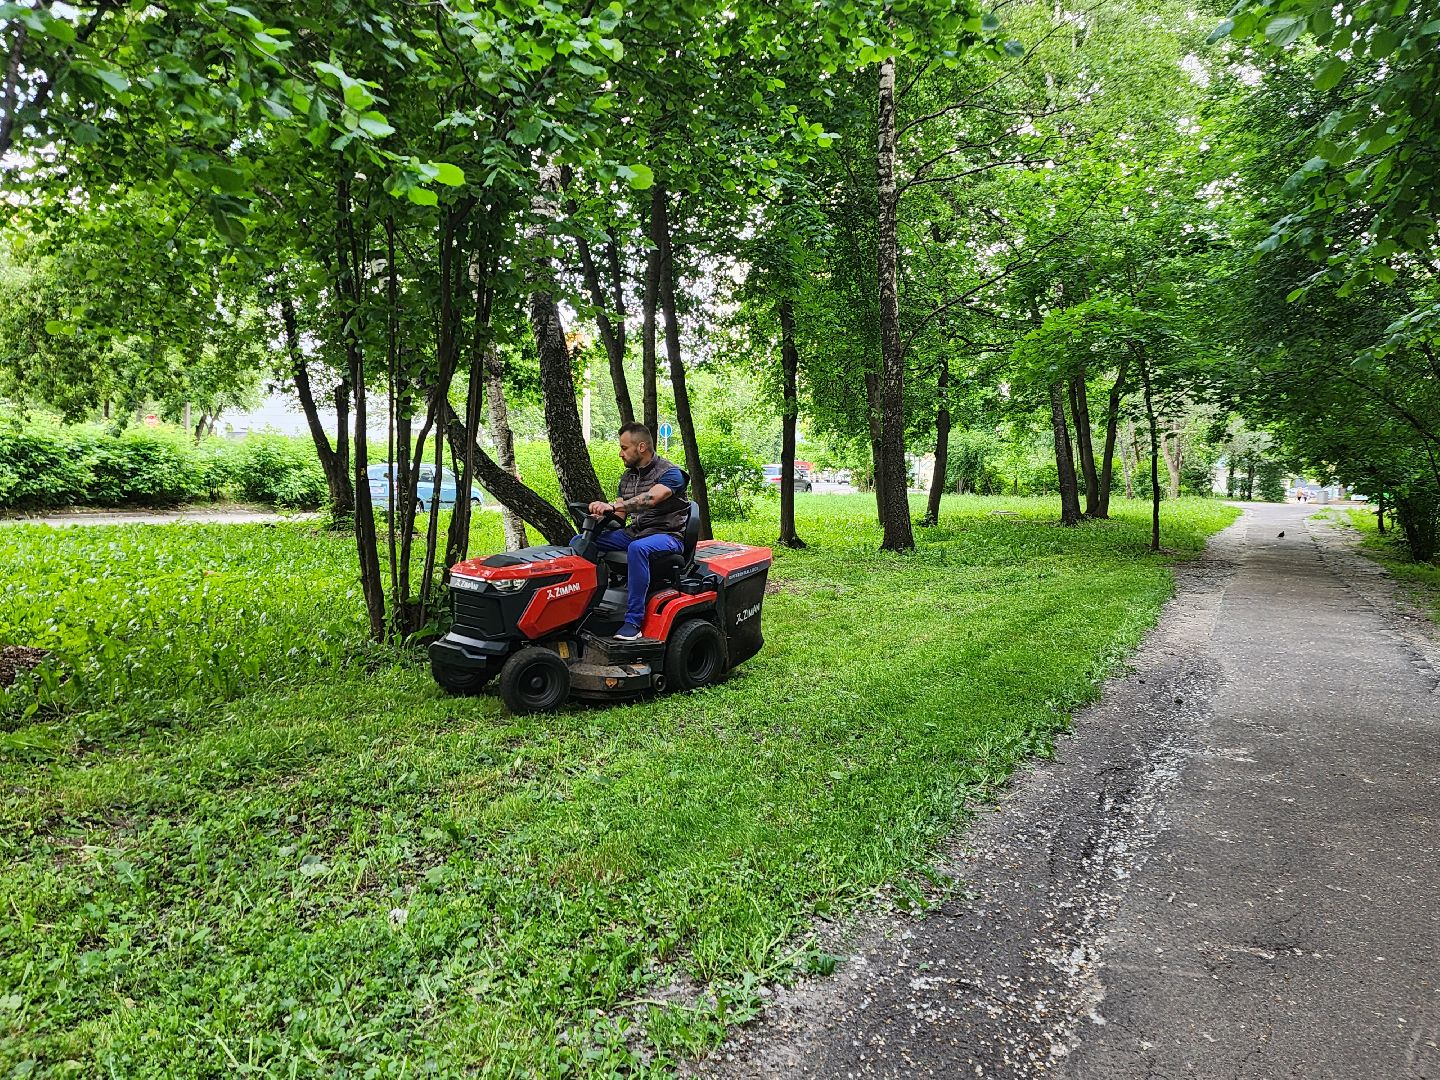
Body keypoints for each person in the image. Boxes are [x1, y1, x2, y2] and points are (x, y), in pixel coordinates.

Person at [573, 423, 690, 641]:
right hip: (635, 532)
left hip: (668, 536)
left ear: (641, 447)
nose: (620, 453)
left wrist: (613, 506)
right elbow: (619, 518)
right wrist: (601, 516)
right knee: (580, 541)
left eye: (624, 448)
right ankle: (580, 610)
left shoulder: (671, 473)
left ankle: (633, 622)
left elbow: (651, 498)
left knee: (638, 549)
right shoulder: (627, 478)